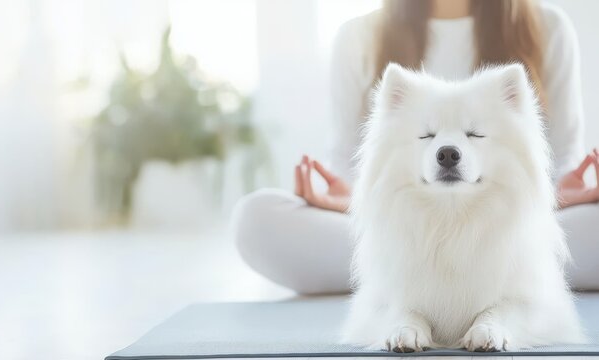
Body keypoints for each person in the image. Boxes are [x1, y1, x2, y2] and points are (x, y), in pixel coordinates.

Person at [233, 0, 599, 295]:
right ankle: (433, 279)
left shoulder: (548, 26)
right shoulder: (359, 35)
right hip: (402, 230)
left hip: (508, 232)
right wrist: (352, 198)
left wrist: (559, 195)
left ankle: (408, 284)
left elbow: (563, 153)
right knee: (257, 217)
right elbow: (349, 158)